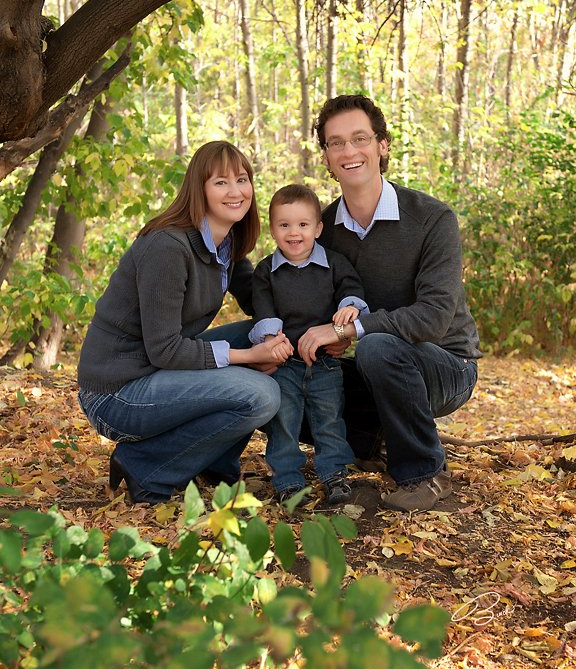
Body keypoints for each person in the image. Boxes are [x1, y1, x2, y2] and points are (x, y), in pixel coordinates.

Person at [77, 141, 289, 505]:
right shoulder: (168, 247)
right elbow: (165, 349)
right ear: (199, 189)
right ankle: (145, 465)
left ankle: (211, 462)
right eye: (221, 182)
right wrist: (249, 357)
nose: (236, 191)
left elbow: (258, 300)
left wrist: (314, 315)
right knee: (260, 395)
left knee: (265, 335)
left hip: (156, 372)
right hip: (116, 392)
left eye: (242, 179)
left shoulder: (227, 241)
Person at [297, 94, 482, 512]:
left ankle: (426, 474)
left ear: (382, 145)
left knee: (378, 346)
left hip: (446, 365)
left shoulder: (432, 219)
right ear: (326, 157)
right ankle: (375, 443)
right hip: (376, 371)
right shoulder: (324, 232)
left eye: (360, 138)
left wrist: (349, 329)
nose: (349, 151)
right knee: (290, 378)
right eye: (336, 142)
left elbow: (434, 318)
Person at [249, 184, 368, 505]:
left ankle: (334, 473)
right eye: (284, 225)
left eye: (303, 224)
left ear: (317, 228)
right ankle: (288, 479)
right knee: (283, 422)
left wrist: (349, 307)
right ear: (273, 229)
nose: (294, 232)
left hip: (325, 360)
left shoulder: (334, 263)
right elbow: (263, 308)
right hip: (284, 362)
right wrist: (271, 339)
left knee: (329, 418)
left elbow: (351, 288)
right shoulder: (266, 271)